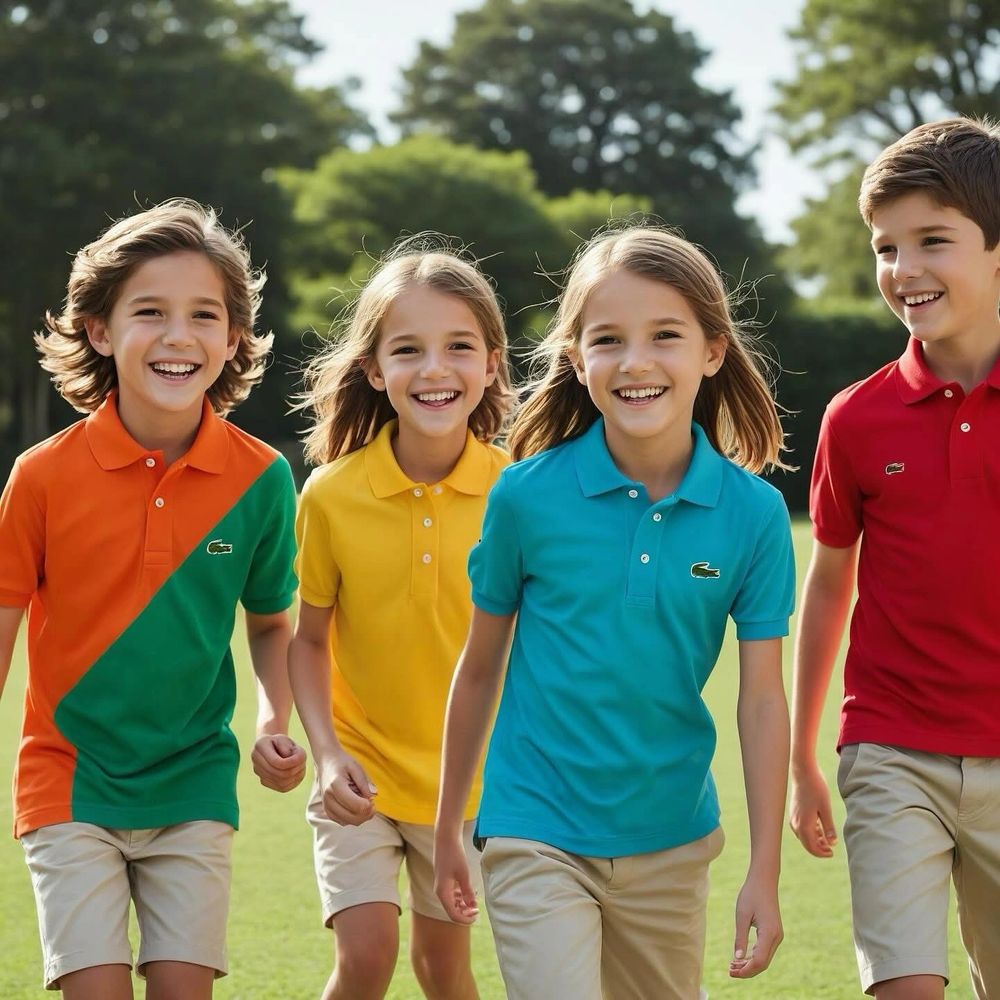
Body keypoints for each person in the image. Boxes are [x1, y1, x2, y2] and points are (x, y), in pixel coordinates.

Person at [434, 226, 795, 1000]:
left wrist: (764, 871)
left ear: (711, 349)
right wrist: (446, 829)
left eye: (665, 335)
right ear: (575, 358)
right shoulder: (526, 496)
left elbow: (762, 699)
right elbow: (479, 668)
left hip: (671, 835)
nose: (635, 362)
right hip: (534, 824)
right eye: (607, 340)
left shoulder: (755, 515)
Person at [0, 200, 305, 998]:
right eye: (150, 313)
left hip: (193, 782)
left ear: (233, 339)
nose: (179, 336)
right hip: (68, 779)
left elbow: (272, 624)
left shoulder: (262, 479)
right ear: (100, 331)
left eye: (205, 315)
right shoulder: (40, 476)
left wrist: (276, 719)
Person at [789, 117, 1000, 1000]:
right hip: (890, 748)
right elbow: (830, 580)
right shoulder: (855, 419)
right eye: (885, 247)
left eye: (932, 241)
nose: (903, 269)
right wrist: (803, 751)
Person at [288, 238, 513, 1000]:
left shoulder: (519, 493)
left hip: (473, 786)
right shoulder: (328, 494)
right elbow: (309, 639)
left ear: (490, 363)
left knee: (445, 968)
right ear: (375, 370)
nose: (435, 369)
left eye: (459, 347)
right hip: (361, 775)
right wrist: (325, 754)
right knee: (368, 952)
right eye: (408, 350)